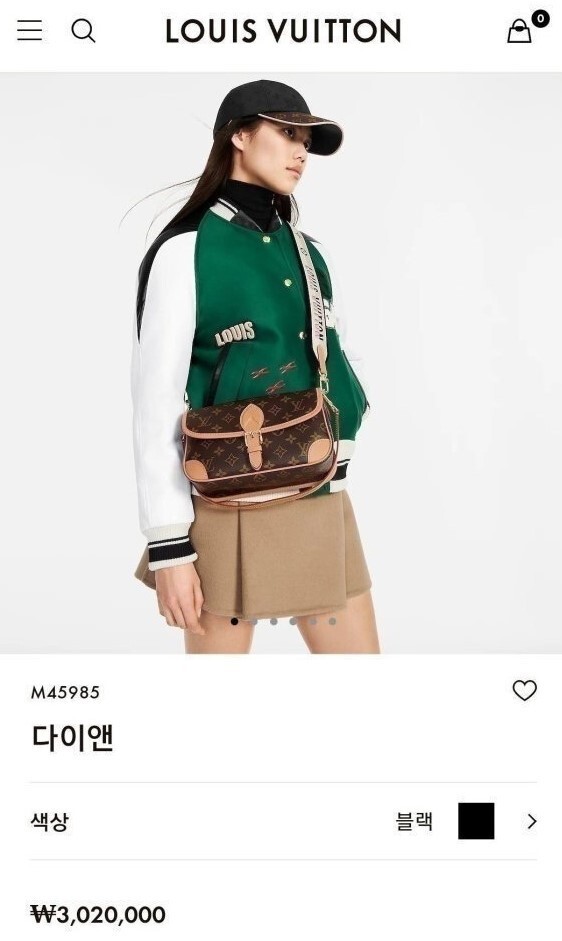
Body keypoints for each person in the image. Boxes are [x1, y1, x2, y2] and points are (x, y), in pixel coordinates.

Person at [131, 79, 380, 654]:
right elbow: (155, 403)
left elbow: (335, 350)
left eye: (306, 143)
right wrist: (169, 546)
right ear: (239, 136)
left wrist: (352, 413)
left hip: (318, 492)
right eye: (286, 133)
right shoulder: (185, 251)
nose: (300, 153)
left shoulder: (310, 252)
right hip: (226, 499)